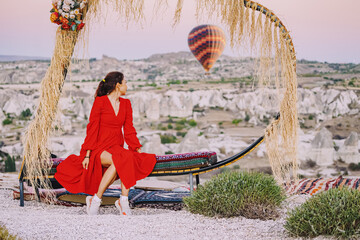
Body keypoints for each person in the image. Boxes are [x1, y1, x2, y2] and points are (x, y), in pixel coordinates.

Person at [54, 71, 156, 216]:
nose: (127, 86)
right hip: (98, 147)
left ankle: (122, 200)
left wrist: (137, 148)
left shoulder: (126, 104)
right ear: (117, 85)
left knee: (126, 157)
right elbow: (92, 128)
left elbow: (129, 129)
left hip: (116, 147)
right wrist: (87, 154)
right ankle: (96, 200)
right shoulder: (100, 102)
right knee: (120, 160)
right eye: (125, 83)